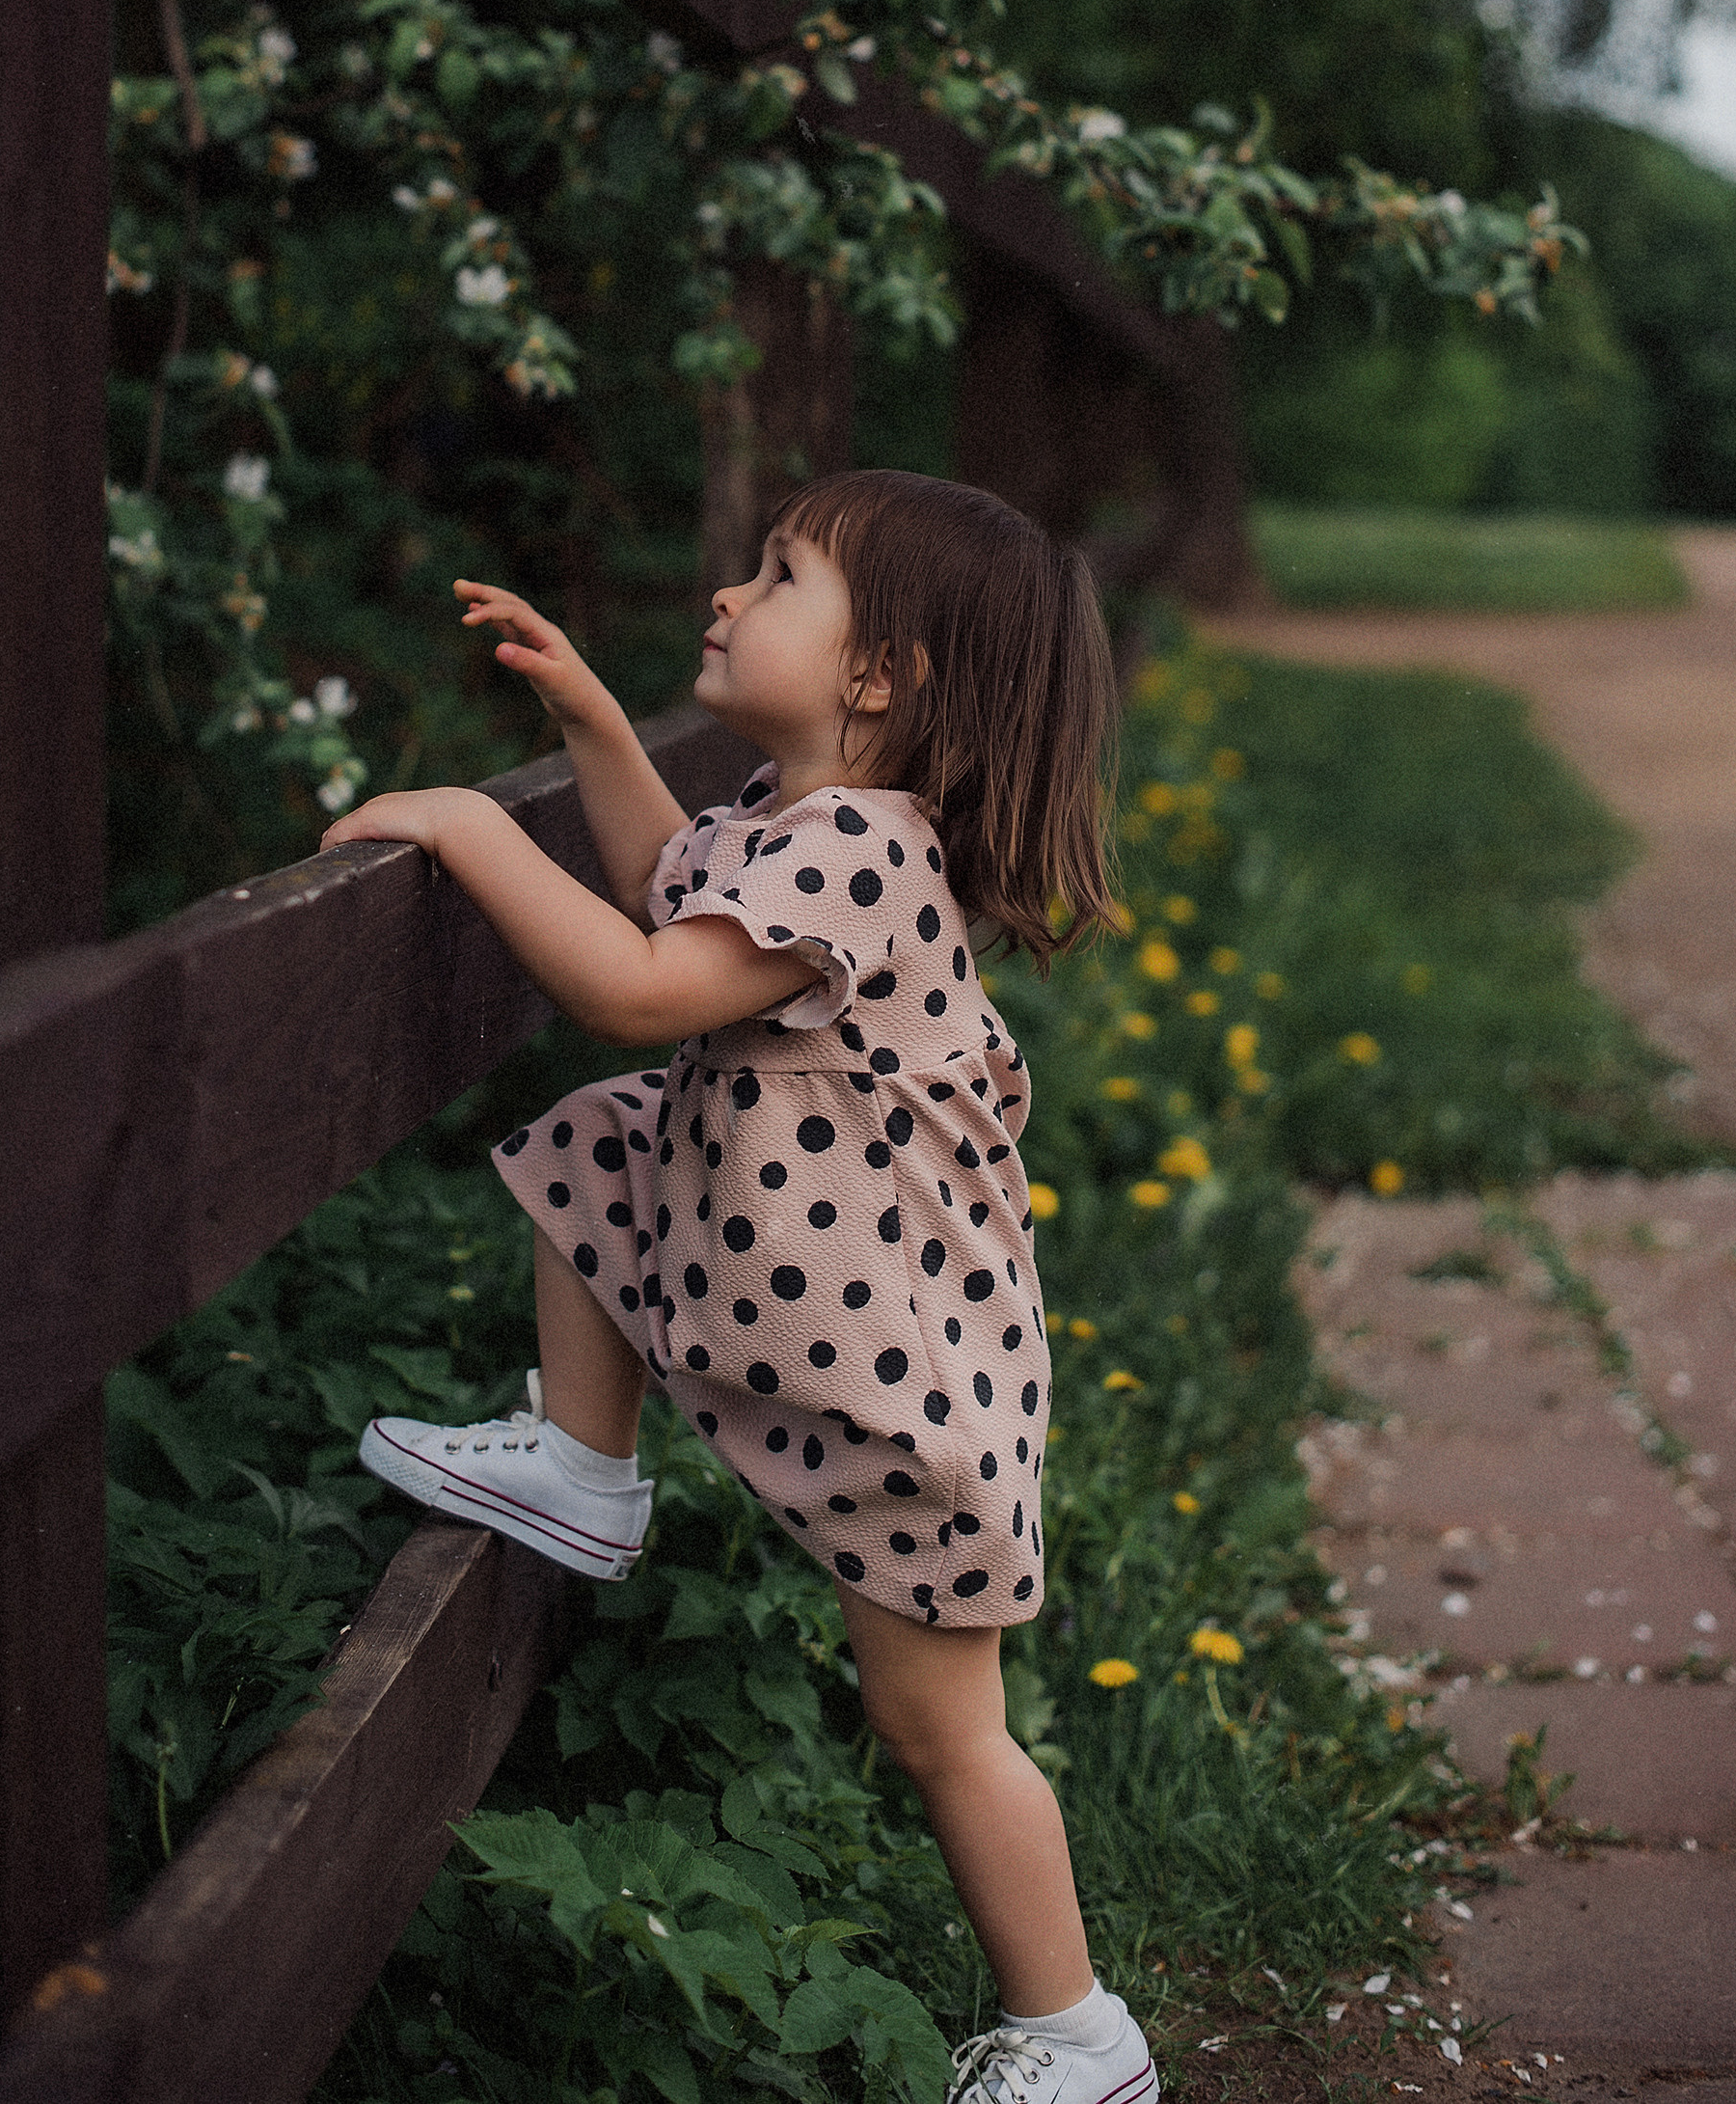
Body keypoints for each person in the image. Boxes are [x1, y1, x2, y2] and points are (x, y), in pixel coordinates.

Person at [322, 469, 1156, 2104]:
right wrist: (591, 724)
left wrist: (472, 825)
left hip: (903, 1386)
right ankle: (585, 1467)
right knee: (607, 1141)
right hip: (810, 1304)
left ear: (880, 676)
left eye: (778, 577)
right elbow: (675, 892)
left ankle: (1080, 2036)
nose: (728, 592)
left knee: (943, 1733)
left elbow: (645, 987)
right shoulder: (800, 819)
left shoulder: (862, 847)